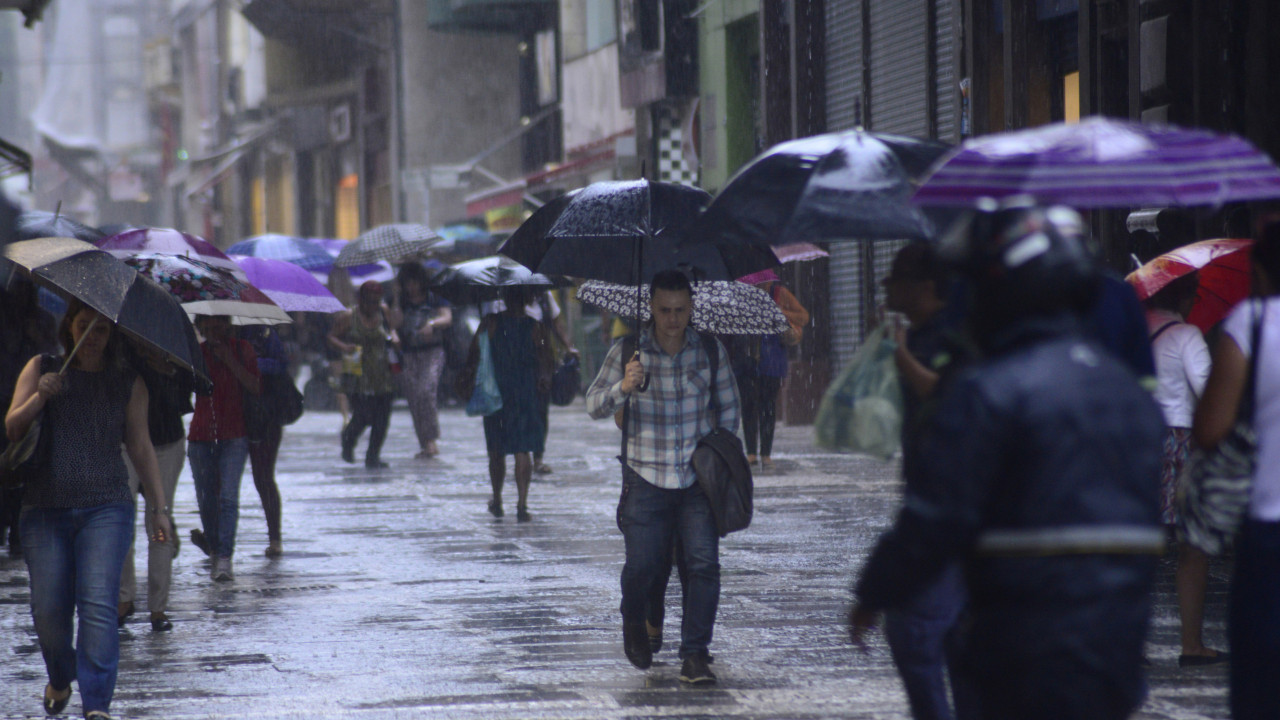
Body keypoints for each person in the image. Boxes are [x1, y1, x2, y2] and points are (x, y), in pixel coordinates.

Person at [849, 204, 1166, 719]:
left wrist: (875, 592)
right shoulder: (1125, 394)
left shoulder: (989, 390)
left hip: (1022, 649)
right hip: (1115, 651)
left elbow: (936, 515)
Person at [6, 300, 173, 719]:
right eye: (85, 326)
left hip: (107, 507)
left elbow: (139, 444)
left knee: (98, 604)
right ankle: (61, 677)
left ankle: (96, 704)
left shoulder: (127, 380)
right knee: (50, 611)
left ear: (112, 335)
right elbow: (12, 427)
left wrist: (159, 507)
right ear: (70, 326)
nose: (93, 338)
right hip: (44, 509)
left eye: (101, 330)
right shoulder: (43, 366)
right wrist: (40, 397)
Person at [586, 270, 740, 685]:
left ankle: (694, 654)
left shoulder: (709, 351)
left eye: (681, 311)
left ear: (692, 308)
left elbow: (729, 411)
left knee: (704, 565)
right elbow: (594, 405)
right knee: (643, 567)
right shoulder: (627, 351)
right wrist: (623, 385)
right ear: (651, 308)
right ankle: (633, 618)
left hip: (696, 482)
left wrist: (719, 457)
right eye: (665, 310)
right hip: (644, 477)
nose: (673, 319)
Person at [877, 243, 973, 720]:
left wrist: (899, 358)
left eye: (895, 277)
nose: (886, 286)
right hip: (928, 496)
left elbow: (946, 391)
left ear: (925, 287)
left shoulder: (957, 336)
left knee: (914, 631)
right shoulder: (913, 336)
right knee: (951, 640)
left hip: (955, 505)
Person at [1193, 219, 1280, 720]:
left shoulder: (1251, 322)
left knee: (1259, 673)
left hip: (1267, 523)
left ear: (1264, 272)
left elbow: (1211, 429)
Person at [1143, 272, 1224, 667]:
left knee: (1139, 545)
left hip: (1138, 441)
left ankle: (1128, 644)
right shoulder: (1187, 335)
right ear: (1186, 297)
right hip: (1178, 442)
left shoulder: (1134, 329)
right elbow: (1209, 389)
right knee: (1192, 547)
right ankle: (1191, 644)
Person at [117, 345, 192, 632]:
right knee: (122, 519)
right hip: (127, 443)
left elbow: (190, 390)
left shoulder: (173, 344)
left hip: (166, 443)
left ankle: (158, 607)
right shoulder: (121, 345)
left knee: (159, 520)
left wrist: (168, 367)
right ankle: (124, 598)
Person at [462, 287, 554, 521]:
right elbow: (546, 356)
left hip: (495, 392)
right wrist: (543, 377)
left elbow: (473, 353)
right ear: (528, 298)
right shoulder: (536, 327)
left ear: (502, 297)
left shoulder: (490, 323)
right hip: (525, 392)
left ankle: (497, 498)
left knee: (496, 450)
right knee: (523, 449)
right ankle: (522, 503)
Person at [187, 315, 260, 582]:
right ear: (201, 325)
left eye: (221, 322)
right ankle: (216, 550)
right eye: (209, 323)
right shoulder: (195, 352)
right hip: (201, 436)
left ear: (228, 323)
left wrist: (229, 358)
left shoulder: (243, 349)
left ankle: (224, 558)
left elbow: (254, 386)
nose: (215, 328)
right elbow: (187, 387)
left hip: (234, 436)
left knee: (228, 498)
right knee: (207, 500)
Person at [0, 276, 57, 554]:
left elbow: (51, 359)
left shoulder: (42, 320)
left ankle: (19, 533)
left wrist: (37, 337)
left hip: (32, 402)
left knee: (26, 461)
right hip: (4, 401)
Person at [730, 269, 808, 473]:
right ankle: (751, 453)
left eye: (766, 283)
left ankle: (766, 454)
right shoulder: (741, 295)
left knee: (768, 407)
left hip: (772, 360)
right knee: (748, 405)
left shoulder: (780, 294)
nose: (763, 287)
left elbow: (803, 317)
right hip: (745, 359)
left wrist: (779, 311)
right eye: (758, 284)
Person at [328, 280, 398, 469]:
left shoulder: (383, 311)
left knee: (383, 417)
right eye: (369, 301)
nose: (372, 306)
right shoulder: (349, 316)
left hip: (381, 372)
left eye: (376, 301)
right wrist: (344, 346)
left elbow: (390, 330)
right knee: (364, 414)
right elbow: (331, 336)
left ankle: (373, 455)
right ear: (361, 300)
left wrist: (394, 338)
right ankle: (348, 440)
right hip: (357, 373)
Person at [393, 263, 452, 459]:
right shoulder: (401, 300)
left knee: (426, 391)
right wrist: (395, 298)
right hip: (409, 353)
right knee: (413, 397)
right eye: (407, 283)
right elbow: (396, 323)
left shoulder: (434, 296)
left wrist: (432, 324)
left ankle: (431, 439)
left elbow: (447, 317)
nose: (412, 287)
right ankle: (425, 442)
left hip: (432, 351)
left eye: (414, 283)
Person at [241, 325, 290, 557]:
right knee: (220, 482)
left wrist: (249, 363)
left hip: (264, 415)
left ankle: (275, 537)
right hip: (229, 414)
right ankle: (215, 539)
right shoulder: (218, 332)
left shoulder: (265, 333)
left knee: (263, 477)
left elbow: (281, 364)